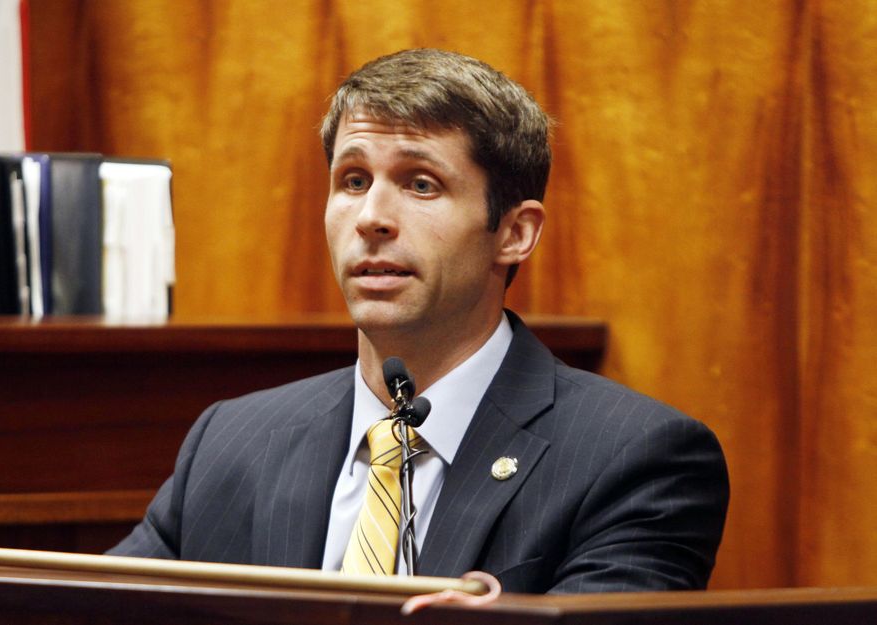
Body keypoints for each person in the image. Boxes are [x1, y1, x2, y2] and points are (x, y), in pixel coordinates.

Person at [109, 48, 729, 594]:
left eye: (421, 184)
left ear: (514, 233)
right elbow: (84, 608)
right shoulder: (232, 442)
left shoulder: (636, 459)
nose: (371, 217)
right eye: (353, 180)